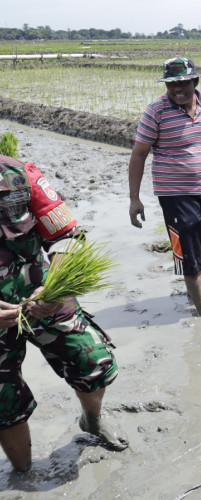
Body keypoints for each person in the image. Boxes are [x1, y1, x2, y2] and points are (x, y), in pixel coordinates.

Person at [0, 155, 128, 472]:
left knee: (93, 360)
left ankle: (92, 421)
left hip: (44, 298)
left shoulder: (19, 175)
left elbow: (66, 236)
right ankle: (24, 473)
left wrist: (54, 291)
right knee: (3, 403)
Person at [128, 56, 201, 316]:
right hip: (174, 195)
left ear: (195, 81)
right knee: (190, 259)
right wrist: (134, 199)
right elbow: (139, 154)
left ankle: (195, 294)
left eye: (183, 83)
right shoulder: (156, 111)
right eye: (171, 85)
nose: (177, 90)